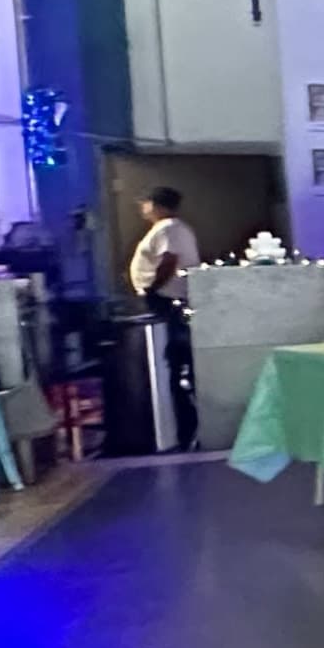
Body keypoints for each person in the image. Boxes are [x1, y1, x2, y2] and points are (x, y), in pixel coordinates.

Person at [127, 184, 199, 451]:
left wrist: (152, 286)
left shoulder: (169, 228)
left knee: (172, 358)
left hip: (167, 301)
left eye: (145, 203)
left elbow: (169, 260)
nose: (142, 208)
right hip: (165, 298)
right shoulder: (168, 229)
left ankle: (180, 428)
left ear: (156, 205)